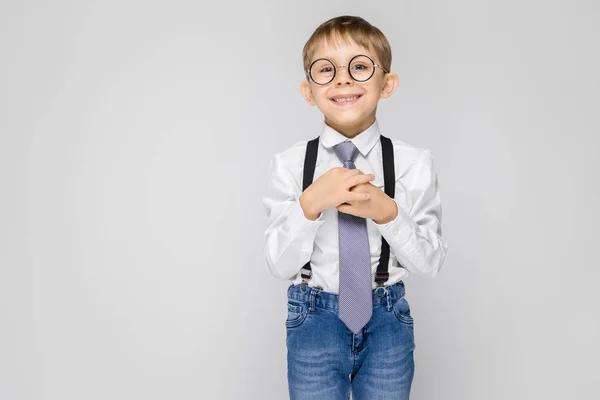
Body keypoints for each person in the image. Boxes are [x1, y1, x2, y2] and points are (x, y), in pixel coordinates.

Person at [261, 15, 449, 400]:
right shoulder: (290, 164)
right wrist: (311, 202)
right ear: (308, 91)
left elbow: (430, 262)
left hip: (387, 321)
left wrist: (388, 212)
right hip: (312, 319)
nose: (343, 79)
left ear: (388, 83)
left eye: (359, 67)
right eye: (325, 70)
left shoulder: (414, 163)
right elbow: (278, 264)